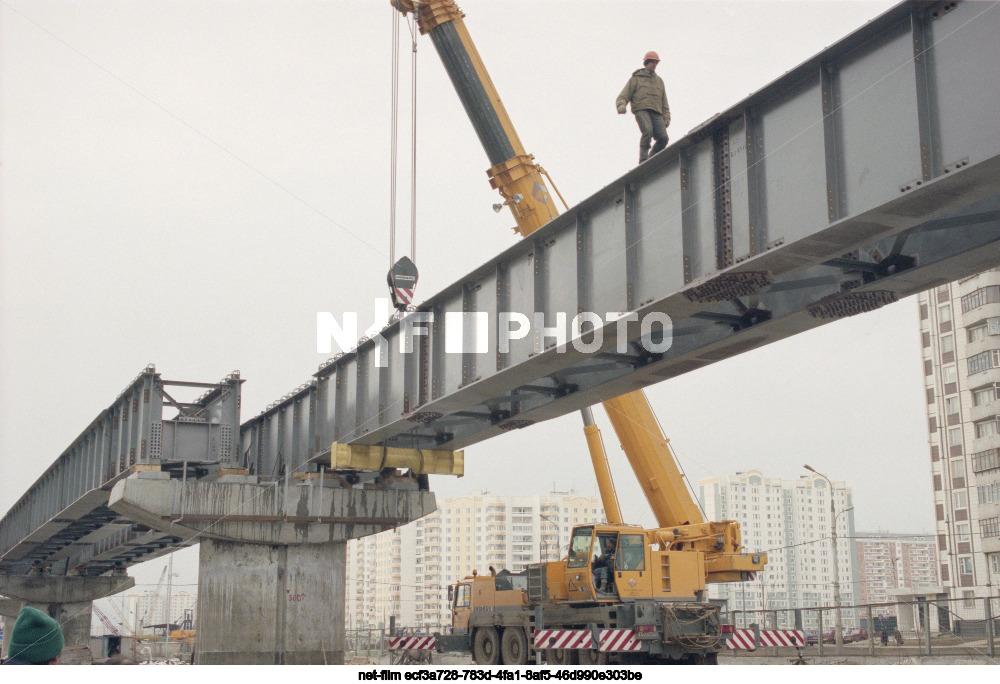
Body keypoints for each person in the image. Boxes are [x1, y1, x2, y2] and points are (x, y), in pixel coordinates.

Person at [616, 51, 671, 164]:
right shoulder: (636, 79)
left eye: (656, 62)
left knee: (663, 138)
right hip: (641, 109)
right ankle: (643, 160)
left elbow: (664, 102)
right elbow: (623, 95)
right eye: (652, 62)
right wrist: (621, 105)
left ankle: (651, 159)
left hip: (656, 111)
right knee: (648, 130)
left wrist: (667, 117)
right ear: (646, 63)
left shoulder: (659, 81)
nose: (654, 65)